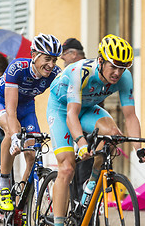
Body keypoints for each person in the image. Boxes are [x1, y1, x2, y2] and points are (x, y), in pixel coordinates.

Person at [47, 34, 145, 226]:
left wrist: (139, 149)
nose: (118, 73)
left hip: (87, 109)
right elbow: (71, 115)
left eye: (123, 68)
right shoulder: (81, 72)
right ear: (101, 60)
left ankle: (92, 183)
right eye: (113, 66)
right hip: (62, 110)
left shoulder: (124, 77)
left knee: (113, 136)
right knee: (68, 167)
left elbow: (130, 116)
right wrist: (81, 143)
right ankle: (59, 222)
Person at [0, 33, 62, 211]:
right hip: (1, 103)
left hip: (27, 108)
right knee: (11, 130)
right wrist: (15, 136)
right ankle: (4, 186)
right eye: (47, 59)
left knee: (32, 154)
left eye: (54, 60)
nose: (51, 65)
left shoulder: (55, 74)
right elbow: (11, 111)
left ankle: (22, 197)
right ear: (34, 55)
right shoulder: (17, 68)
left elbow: (63, 102)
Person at [60, 37, 93, 198]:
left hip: (87, 128)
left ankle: (86, 219)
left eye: (64, 54)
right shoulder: (70, 71)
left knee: (84, 177)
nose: (61, 58)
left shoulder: (87, 71)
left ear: (73, 54)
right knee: (74, 174)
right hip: (75, 126)